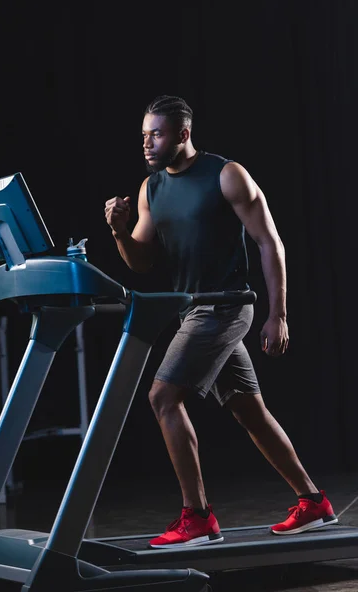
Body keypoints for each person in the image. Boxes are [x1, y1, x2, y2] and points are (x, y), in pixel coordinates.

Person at [104, 94, 338, 548]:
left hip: (228, 305)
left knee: (163, 397)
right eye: (144, 135)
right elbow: (140, 261)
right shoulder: (151, 188)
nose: (148, 144)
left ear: (184, 134)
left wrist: (279, 314)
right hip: (194, 309)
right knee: (250, 411)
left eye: (158, 134)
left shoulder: (226, 175)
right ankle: (313, 502)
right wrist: (118, 230)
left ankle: (197, 517)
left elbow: (270, 242)